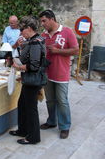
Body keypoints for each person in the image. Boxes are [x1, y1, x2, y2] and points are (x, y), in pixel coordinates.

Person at [39, 9, 79, 139]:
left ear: (52, 19)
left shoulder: (67, 32)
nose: (43, 24)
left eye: (44, 21)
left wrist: (57, 51)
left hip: (61, 73)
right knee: (50, 100)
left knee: (62, 101)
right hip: (47, 73)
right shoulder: (43, 35)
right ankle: (51, 121)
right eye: (41, 22)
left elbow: (75, 50)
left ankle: (65, 126)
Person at [9, 16, 46, 145]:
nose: (20, 32)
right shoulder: (32, 40)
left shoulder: (36, 42)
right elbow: (25, 57)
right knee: (22, 105)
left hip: (33, 80)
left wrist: (19, 67)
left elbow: (34, 66)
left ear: (29, 28)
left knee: (31, 109)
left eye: (22, 29)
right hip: (28, 79)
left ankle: (33, 137)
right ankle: (23, 130)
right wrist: (20, 47)